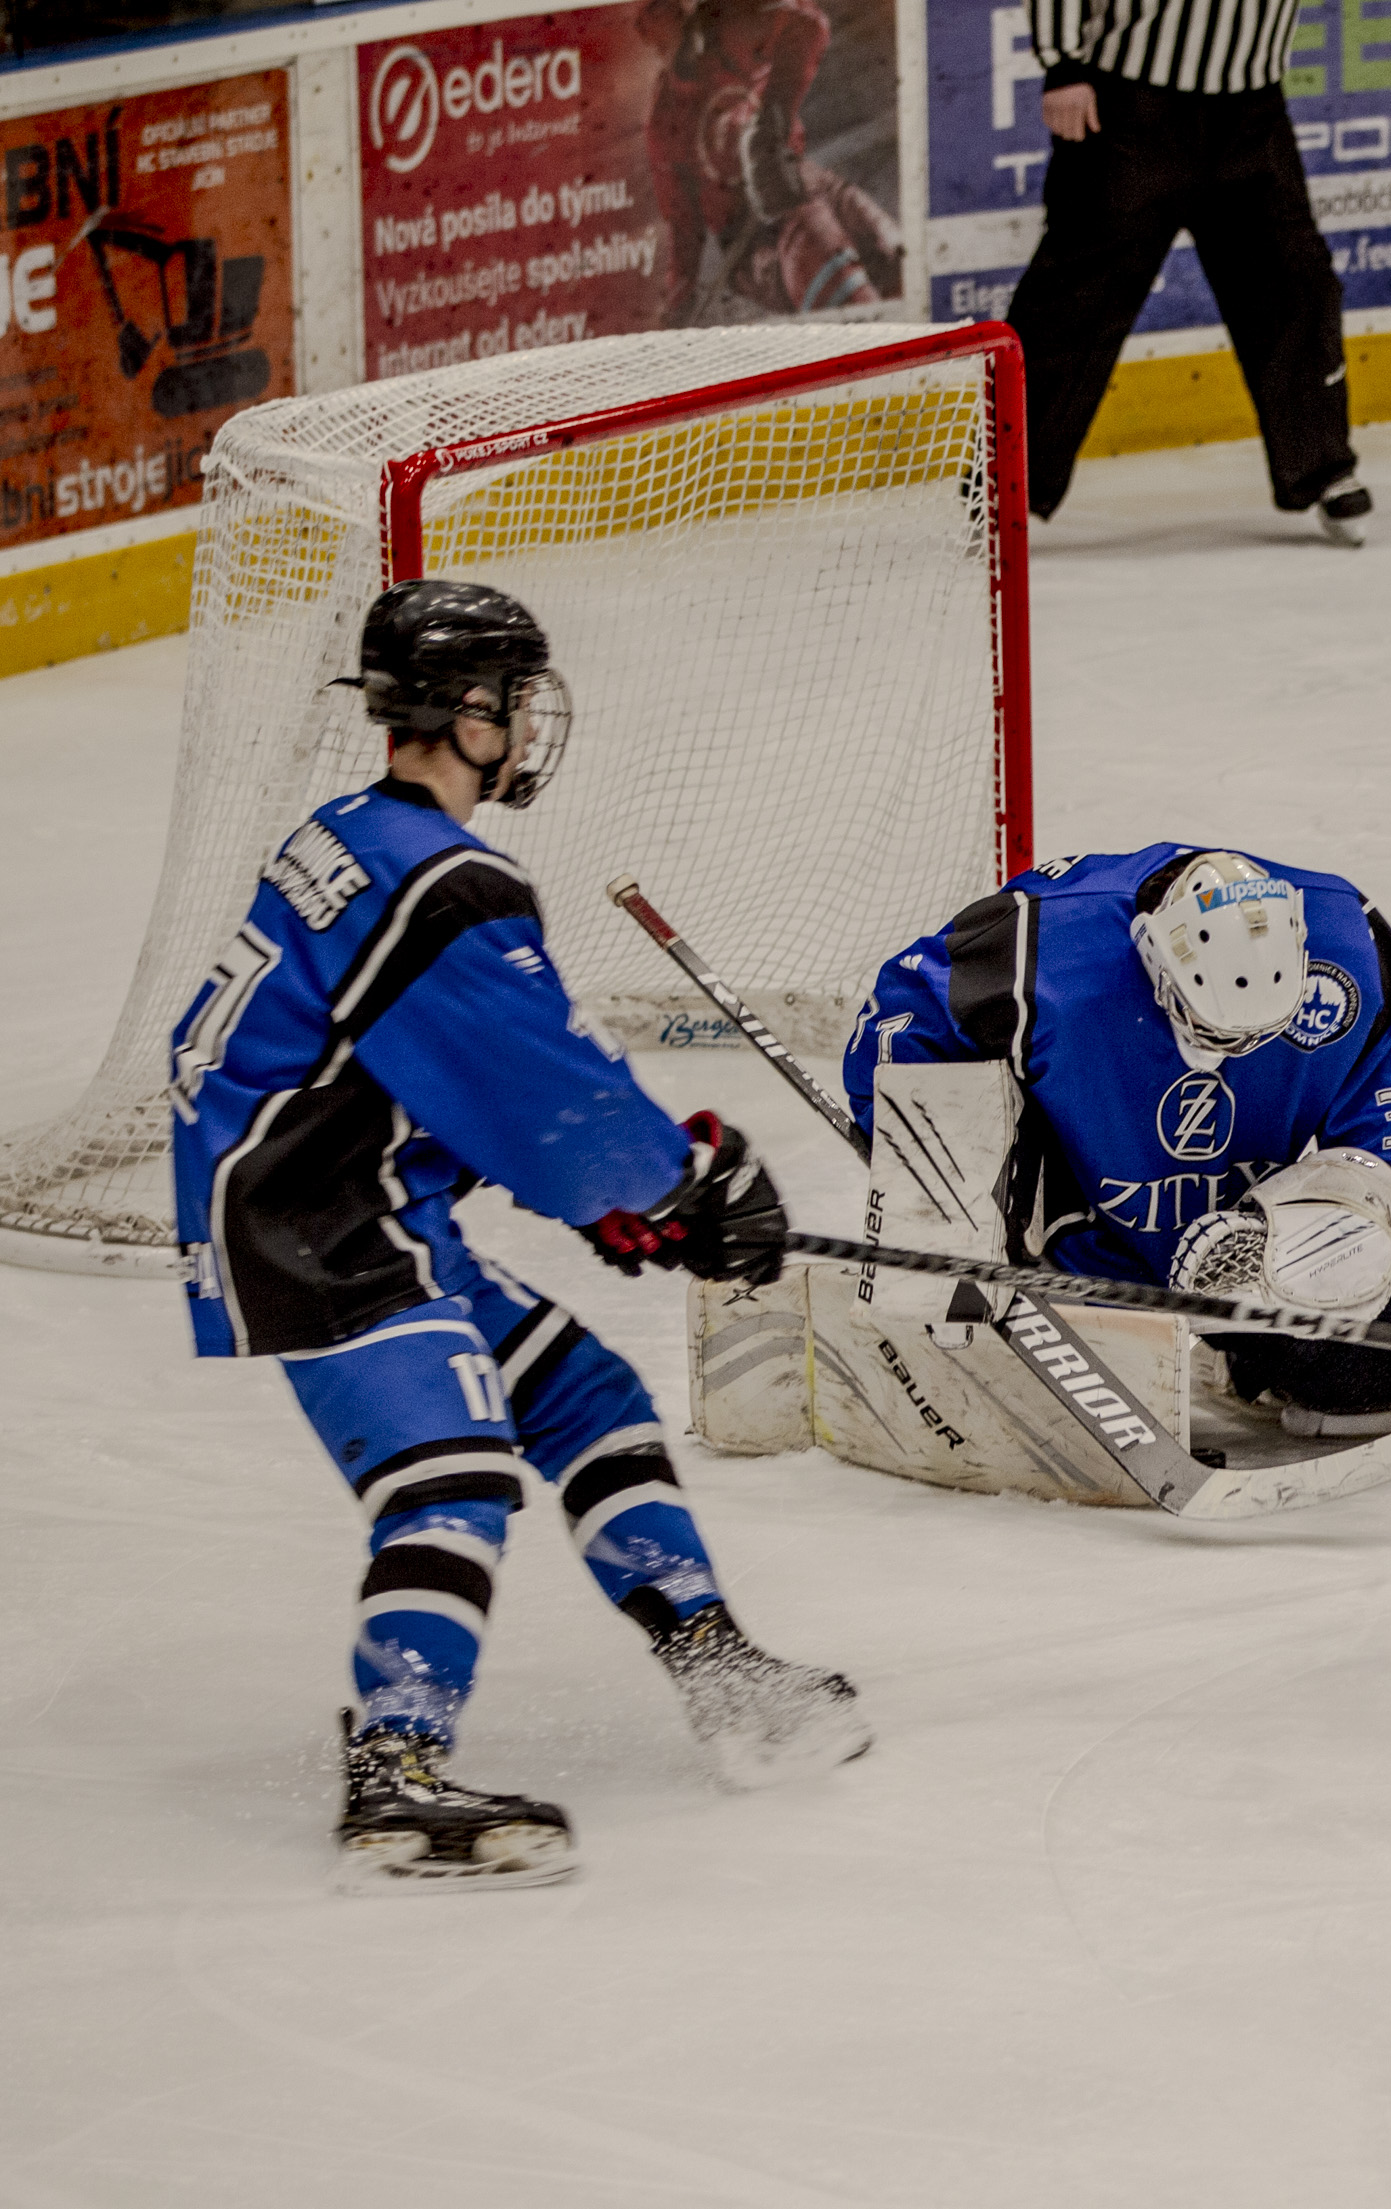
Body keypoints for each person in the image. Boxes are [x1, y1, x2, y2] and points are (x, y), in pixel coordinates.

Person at [167, 580, 869, 1893]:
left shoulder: (355, 833)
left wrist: (621, 1197)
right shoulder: (445, 877)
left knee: (583, 1394)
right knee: (455, 1475)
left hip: (330, 1195)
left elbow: (412, 1069)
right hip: (323, 1221)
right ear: (469, 709)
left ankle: (713, 1660)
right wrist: (675, 1188)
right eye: (516, 697)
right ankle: (394, 1774)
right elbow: (537, 1085)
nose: (531, 723)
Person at [844, 846, 1391, 1436]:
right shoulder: (1042, 942)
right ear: (1151, 954)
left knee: (1364, 1384)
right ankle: (1036, 1307)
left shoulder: (1350, 944)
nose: (1232, 1056)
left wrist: (1345, 1212)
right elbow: (894, 1031)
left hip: (1233, 1257)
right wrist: (944, 1187)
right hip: (1064, 1248)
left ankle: (1234, 1358)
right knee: (992, 1380)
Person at [1012, 0, 1369, 541]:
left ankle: (1323, 467)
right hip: (1131, 101)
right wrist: (1063, 64)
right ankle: (1002, 486)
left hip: (1253, 106)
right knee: (1074, 300)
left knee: (1295, 284)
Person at [640, 0, 904, 324]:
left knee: (896, 255)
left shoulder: (728, 29)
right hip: (753, 242)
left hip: (805, 181)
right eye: (652, 13)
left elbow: (808, 24)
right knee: (820, 255)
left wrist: (772, 123)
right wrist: (676, 310)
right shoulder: (664, 119)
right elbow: (683, 230)